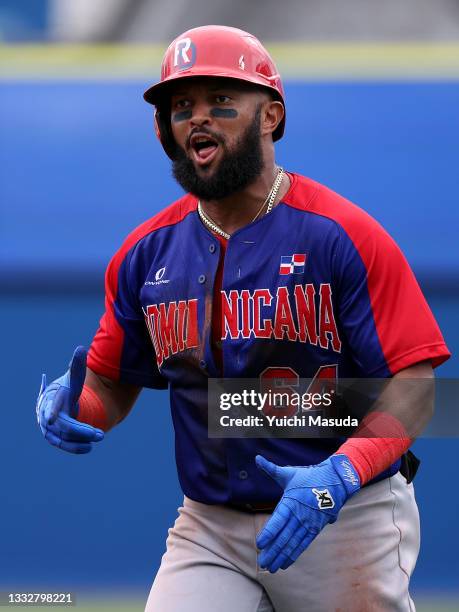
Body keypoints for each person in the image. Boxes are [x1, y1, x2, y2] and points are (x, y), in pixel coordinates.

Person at [36, 25, 450, 612]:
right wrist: (74, 407)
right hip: (210, 526)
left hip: (344, 514)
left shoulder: (343, 236)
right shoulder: (146, 253)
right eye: (182, 106)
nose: (198, 119)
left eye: (221, 102)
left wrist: (338, 477)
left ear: (270, 116)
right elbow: (109, 382)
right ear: (165, 131)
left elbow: (419, 385)